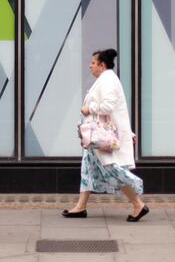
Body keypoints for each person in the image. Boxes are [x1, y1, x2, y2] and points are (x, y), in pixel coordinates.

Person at [62, 48, 149, 222]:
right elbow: (119, 110)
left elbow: (109, 107)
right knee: (87, 169)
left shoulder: (108, 80)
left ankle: (138, 204)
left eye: (93, 63)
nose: (90, 66)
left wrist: (89, 109)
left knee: (111, 170)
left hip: (102, 138)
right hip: (95, 138)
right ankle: (80, 207)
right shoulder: (105, 79)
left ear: (102, 65)